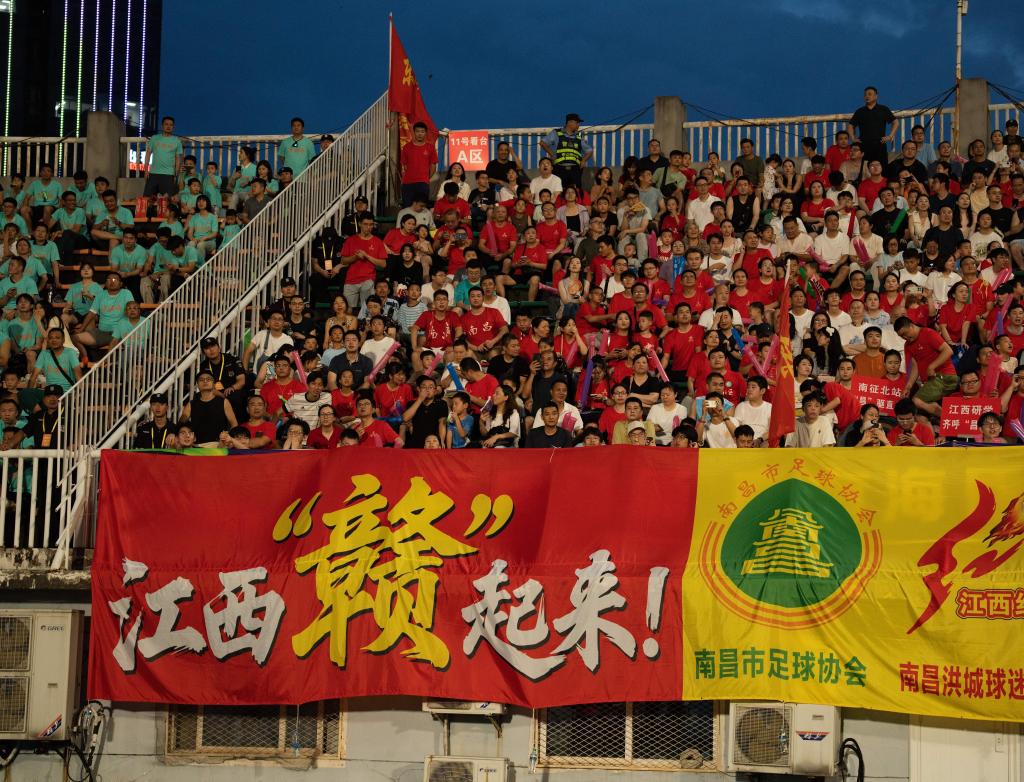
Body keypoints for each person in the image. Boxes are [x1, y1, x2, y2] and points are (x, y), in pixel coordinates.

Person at [180, 370, 238, 446]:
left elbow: (234, 424)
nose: (205, 381)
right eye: (201, 380)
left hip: (219, 445)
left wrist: (228, 438)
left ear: (213, 384)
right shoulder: (191, 404)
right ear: (197, 385)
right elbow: (182, 421)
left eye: (208, 379)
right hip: (197, 446)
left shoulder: (224, 402)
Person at [848, 86, 897, 165]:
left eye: (869, 94)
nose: (867, 96)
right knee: (865, 168)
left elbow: (895, 122)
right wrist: (853, 138)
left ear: (876, 96)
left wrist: (890, 136)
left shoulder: (883, 109)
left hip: (880, 145)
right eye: (865, 95)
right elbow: (850, 126)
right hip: (864, 146)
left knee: (882, 168)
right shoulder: (860, 111)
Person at [400, 121, 438, 207]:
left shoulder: (430, 148)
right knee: (408, 207)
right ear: (413, 132)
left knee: (421, 208)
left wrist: (426, 178)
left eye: (422, 131)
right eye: (417, 131)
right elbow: (404, 166)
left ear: (426, 133)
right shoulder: (406, 147)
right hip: (407, 183)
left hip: (423, 183)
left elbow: (433, 165)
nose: (420, 134)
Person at [143, 116, 183, 197]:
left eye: (171, 125)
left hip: (168, 174)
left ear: (173, 127)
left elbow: (178, 159)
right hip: (154, 173)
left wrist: (176, 174)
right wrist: (146, 170)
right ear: (162, 126)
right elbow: (148, 154)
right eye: (166, 124)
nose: (168, 126)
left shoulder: (177, 141)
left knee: (167, 199)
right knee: (147, 198)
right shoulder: (154, 138)